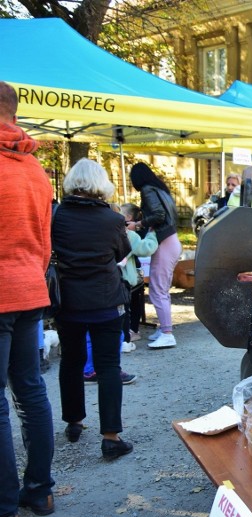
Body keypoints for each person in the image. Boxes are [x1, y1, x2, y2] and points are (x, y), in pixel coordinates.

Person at [0, 81, 56, 517]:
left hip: (5, 293)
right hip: (30, 290)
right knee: (31, 390)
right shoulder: (36, 169)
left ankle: (3, 510)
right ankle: (39, 489)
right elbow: (44, 243)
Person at [53, 158, 135, 460]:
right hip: (106, 301)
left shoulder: (57, 216)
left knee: (71, 362)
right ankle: (111, 437)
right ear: (102, 184)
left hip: (70, 302)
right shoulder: (112, 219)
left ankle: (74, 422)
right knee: (109, 366)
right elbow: (122, 253)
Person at [129, 162, 182, 349]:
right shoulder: (159, 189)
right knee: (162, 289)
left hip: (165, 241)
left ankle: (167, 333)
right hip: (170, 240)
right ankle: (164, 328)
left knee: (157, 290)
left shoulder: (147, 190)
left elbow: (158, 215)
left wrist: (138, 224)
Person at [119, 203, 159, 349]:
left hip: (105, 277)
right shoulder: (128, 235)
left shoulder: (101, 232)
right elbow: (146, 248)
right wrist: (153, 233)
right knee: (124, 309)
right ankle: (125, 340)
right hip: (124, 278)